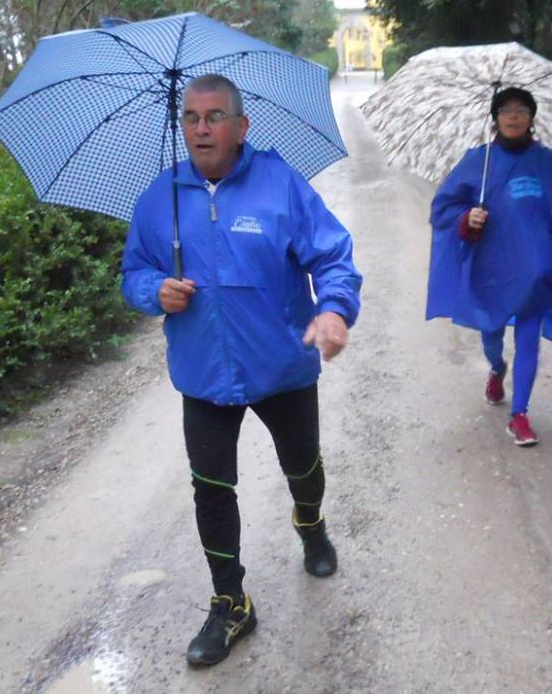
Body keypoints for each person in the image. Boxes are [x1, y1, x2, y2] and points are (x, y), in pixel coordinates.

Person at [121, 74, 362, 667]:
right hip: (204, 373)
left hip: (281, 366)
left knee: (303, 466)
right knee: (211, 488)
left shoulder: (281, 185)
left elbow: (333, 254)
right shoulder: (160, 198)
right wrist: (155, 290)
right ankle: (231, 602)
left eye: (214, 117)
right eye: (191, 118)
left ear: (241, 125)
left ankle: (310, 523)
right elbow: (133, 272)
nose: (201, 128)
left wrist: (334, 310)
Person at [426, 87, 552, 447]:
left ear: (532, 118)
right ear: (495, 119)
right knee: (491, 333)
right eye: (505, 110)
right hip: (491, 268)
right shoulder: (479, 161)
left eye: (521, 110)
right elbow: (444, 208)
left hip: (537, 268)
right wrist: (467, 218)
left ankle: (519, 415)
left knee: (529, 338)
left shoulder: (548, 163)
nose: (513, 116)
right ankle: (496, 367)